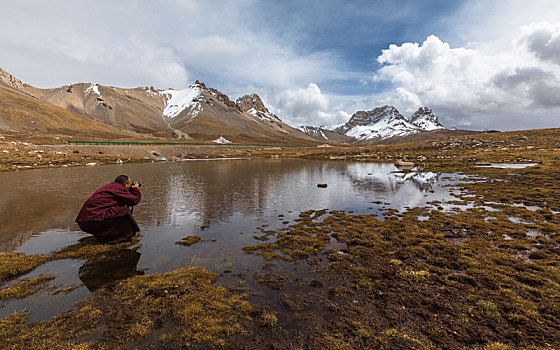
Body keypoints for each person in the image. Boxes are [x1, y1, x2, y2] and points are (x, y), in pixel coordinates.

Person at [76, 175, 141, 244]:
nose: (131, 185)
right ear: (125, 184)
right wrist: (135, 188)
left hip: (85, 221)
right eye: (130, 184)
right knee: (124, 212)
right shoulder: (118, 188)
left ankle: (106, 237)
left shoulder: (110, 187)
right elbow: (134, 200)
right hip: (92, 221)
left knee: (116, 212)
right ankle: (119, 239)